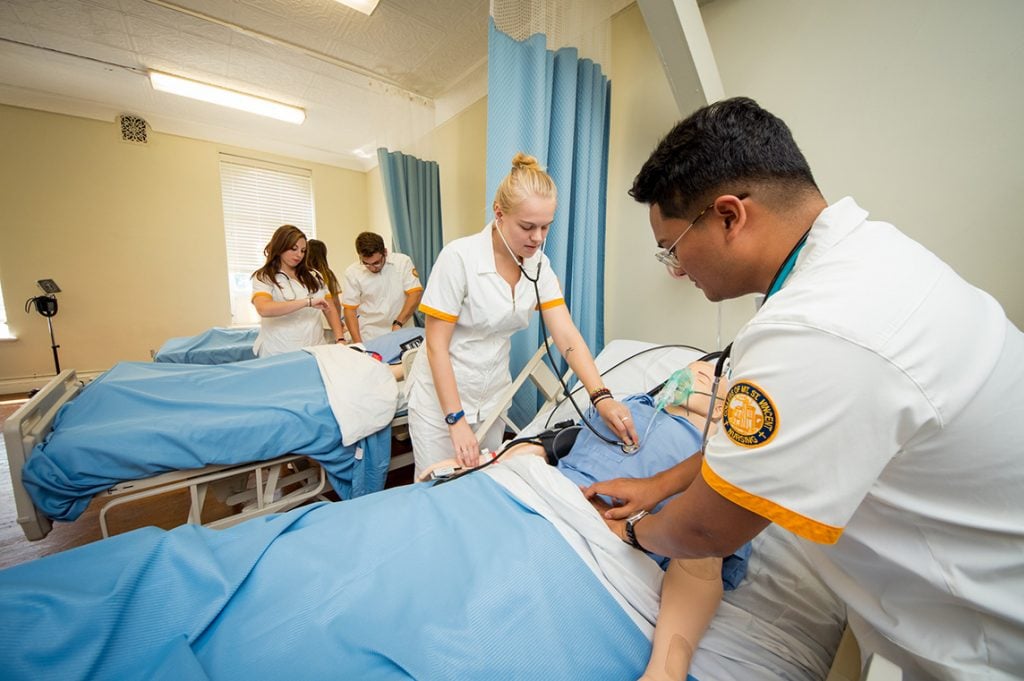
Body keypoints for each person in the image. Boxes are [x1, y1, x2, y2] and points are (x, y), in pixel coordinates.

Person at [585, 97, 1024, 680]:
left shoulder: (813, 330)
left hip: (986, 630)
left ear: (729, 216)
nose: (677, 269)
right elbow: (742, 456)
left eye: (672, 248)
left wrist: (635, 529)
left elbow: (705, 529)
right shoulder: (866, 257)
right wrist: (655, 484)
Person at [419, 358, 735, 681]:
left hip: (611, 537)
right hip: (543, 494)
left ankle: (666, 673)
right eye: (700, 366)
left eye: (720, 374)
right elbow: (550, 446)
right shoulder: (628, 406)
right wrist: (485, 465)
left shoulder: (725, 457)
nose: (704, 369)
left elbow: (708, 546)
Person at [406, 152, 640, 478]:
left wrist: (601, 397)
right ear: (499, 214)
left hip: (491, 396)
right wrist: (455, 420)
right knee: (437, 485)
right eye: (528, 226)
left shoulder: (539, 266)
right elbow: (435, 345)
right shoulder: (459, 258)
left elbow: (566, 335)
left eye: (546, 227)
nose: (539, 238)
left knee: (483, 480)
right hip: (441, 401)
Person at [250, 225, 346, 358]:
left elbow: (329, 309)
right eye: (293, 249)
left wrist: (340, 338)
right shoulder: (264, 277)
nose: (299, 255)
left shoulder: (314, 276)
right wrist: (307, 302)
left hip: (315, 348)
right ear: (280, 246)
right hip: (279, 350)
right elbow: (264, 309)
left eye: (303, 250)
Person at [341, 232, 423, 343]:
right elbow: (350, 310)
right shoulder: (352, 273)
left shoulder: (402, 262)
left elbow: (415, 294)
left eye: (376, 263)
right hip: (370, 334)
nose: (372, 268)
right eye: (366, 263)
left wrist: (399, 322)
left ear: (385, 252)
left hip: (402, 328)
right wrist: (358, 343)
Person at [305, 238, 345, 333]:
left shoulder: (303, 274)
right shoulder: (328, 274)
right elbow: (335, 302)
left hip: (311, 322)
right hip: (329, 322)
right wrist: (338, 320)